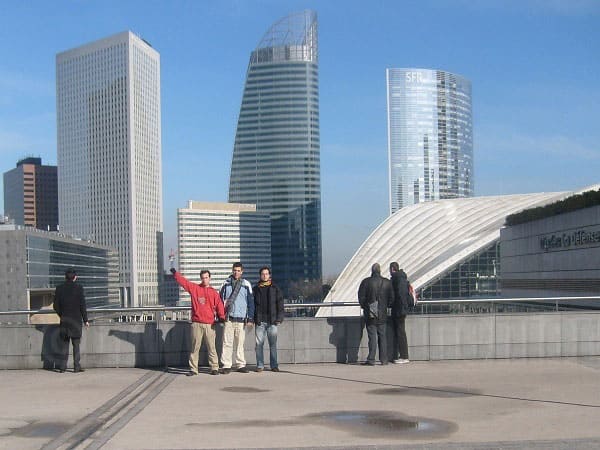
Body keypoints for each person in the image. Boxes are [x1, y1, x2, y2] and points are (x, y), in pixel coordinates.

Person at [171, 267, 225, 376]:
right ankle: (193, 369)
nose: (204, 280)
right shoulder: (195, 288)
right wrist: (175, 274)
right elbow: (184, 282)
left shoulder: (214, 292)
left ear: (209, 278)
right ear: (201, 279)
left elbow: (219, 305)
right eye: (203, 278)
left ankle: (214, 367)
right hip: (197, 323)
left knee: (212, 347)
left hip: (210, 324)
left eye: (206, 277)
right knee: (195, 347)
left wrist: (222, 316)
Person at [219, 262, 255, 374]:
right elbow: (220, 301)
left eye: (239, 270)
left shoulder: (246, 284)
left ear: (242, 271)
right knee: (227, 343)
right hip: (229, 318)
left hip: (241, 319)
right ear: (232, 270)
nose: (236, 272)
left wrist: (250, 318)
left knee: (240, 343)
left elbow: (250, 302)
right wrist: (220, 315)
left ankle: (240, 364)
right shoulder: (225, 284)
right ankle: (226, 365)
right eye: (235, 270)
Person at [53, 268, 89, 373]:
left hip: (64, 320)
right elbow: (83, 305)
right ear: (75, 277)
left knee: (64, 344)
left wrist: (62, 314)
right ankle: (76, 367)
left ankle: (62, 367)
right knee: (76, 345)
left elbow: (55, 306)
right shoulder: (79, 288)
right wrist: (85, 319)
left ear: (65, 277)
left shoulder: (59, 288)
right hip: (76, 321)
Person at [358, 263, 393, 366]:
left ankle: (371, 359)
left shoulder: (366, 282)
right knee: (382, 336)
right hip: (382, 312)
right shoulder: (387, 282)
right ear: (380, 270)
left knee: (372, 336)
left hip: (371, 312)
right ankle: (384, 359)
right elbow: (392, 298)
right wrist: (386, 305)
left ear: (372, 271)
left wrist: (366, 306)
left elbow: (361, 297)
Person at [253, 266, 284, 372]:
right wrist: (253, 318)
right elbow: (253, 305)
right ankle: (260, 365)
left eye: (266, 274)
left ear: (269, 275)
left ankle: (274, 365)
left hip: (272, 321)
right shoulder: (256, 288)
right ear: (260, 275)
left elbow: (280, 303)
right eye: (263, 274)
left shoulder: (275, 288)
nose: (264, 275)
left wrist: (279, 318)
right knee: (258, 345)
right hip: (260, 321)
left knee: (273, 345)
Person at [389, 262, 410, 364]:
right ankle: (400, 356)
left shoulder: (398, 279)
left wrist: (400, 308)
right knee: (399, 332)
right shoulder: (401, 278)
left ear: (392, 269)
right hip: (400, 309)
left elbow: (401, 295)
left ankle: (404, 356)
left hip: (399, 310)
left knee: (401, 333)